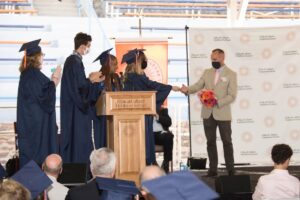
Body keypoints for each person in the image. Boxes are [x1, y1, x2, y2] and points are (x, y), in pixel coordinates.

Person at [181, 48, 237, 177]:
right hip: (207, 113)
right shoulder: (207, 72)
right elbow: (197, 86)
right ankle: (212, 169)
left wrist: (218, 101)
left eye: (215, 59)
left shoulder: (231, 74)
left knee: (227, 141)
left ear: (222, 58)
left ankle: (231, 169)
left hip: (223, 113)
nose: (213, 61)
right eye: (211, 59)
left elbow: (232, 95)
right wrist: (186, 89)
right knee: (210, 142)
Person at [122, 48, 180, 165]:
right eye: (143, 60)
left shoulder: (128, 77)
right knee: (144, 143)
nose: (145, 63)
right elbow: (151, 85)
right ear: (138, 62)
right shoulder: (137, 77)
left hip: (132, 116)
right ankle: (148, 163)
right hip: (142, 116)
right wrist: (170, 87)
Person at [60, 32, 104, 163]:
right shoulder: (74, 61)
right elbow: (80, 86)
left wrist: (89, 79)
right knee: (79, 139)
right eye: (88, 45)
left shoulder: (73, 60)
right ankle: (80, 169)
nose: (89, 49)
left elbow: (78, 83)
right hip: (76, 108)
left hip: (73, 106)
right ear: (83, 46)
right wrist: (92, 80)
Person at [17, 39, 61, 167]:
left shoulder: (28, 75)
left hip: (32, 126)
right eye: (42, 55)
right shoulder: (32, 75)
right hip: (36, 130)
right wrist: (55, 80)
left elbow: (42, 93)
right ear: (37, 57)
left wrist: (52, 83)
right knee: (36, 163)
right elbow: (45, 98)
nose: (43, 58)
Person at [91, 48, 122, 149]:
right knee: (102, 143)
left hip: (115, 116)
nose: (117, 66)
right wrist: (99, 86)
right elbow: (92, 97)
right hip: (101, 117)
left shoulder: (116, 77)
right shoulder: (97, 76)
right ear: (107, 65)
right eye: (114, 64)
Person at [153, 107, 174, 173]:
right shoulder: (143, 110)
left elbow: (169, 122)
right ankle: (153, 163)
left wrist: (158, 117)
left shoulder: (162, 110)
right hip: (148, 134)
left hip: (160, 134)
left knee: (169, 135)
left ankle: (166, 163)